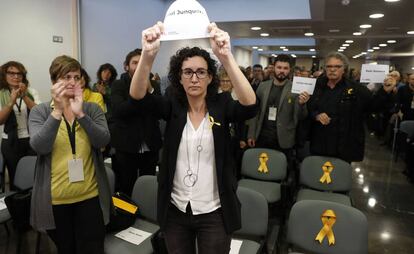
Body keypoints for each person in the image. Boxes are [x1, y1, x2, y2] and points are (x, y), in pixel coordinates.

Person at [129, 22, 258, 254]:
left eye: (201, 72)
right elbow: (138, 97)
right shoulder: (172, 106)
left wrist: (226, 57)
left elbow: (250, 105)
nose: (194, 78)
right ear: (179, 78)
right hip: (176, 210)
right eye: (188, 72)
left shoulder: (222, 106)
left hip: (215, 211)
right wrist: (147, 56)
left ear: (210, 77)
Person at [28, 55, 111, 254]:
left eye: (77, 77)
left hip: (90, 197)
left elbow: (103, 141)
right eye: (66, 77)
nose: (73, 82)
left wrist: (81, 114)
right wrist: (57, 112)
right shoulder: (40, 112)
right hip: (56, 200)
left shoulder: (92, 109)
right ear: (54, 81)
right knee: (66, 249)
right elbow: (39, 146)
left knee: (93, 249)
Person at [110, 48, 162, 196]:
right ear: (126, 66)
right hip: (126, 145)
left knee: (149, 185)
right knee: (126, 186)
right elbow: (119, 111)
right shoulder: (118, 85)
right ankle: (127, 218)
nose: (139, 66)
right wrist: (139, 96)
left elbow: (160, 111)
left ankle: (148, 215)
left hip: (150, 144)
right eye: (134, 63)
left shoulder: (154, 85)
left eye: (142, 62)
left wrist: (150, 90)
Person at [308, 52, 373, 162]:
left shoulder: (356, 89)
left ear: (344, 69)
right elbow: (307, 109)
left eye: (337, 66)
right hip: (319, 142)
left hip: (343, 145)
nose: (332, 69)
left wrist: (385, 92)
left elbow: (373, 107)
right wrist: (316, 115)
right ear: (324, 69)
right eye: (329, 66)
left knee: (340, 176)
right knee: (317, 175)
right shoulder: (316, 86)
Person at [247, 54, 309, 160]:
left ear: (290, 70)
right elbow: (254, 113)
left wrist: (302, 104)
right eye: (279, 67)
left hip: (284, 139)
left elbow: (301, 117)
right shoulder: (263, 86)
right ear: (274, 68)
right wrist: (251, 134)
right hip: (262, 136)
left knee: (281, 171)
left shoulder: (296, 89)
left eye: (285, 68)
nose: (282, 71)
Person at [0, 61, 40, 190]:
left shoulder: (31, 92)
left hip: (31, 139)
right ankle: (17, 206)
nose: (16, 76)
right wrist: (11, 101)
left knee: (34, 176)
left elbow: (40, 114)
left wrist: (25, 97)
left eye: (19, 74)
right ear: (4, 75)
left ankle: (33, 205)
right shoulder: (1, 94)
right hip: (10, 142)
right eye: (11, 73)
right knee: (16, 179)